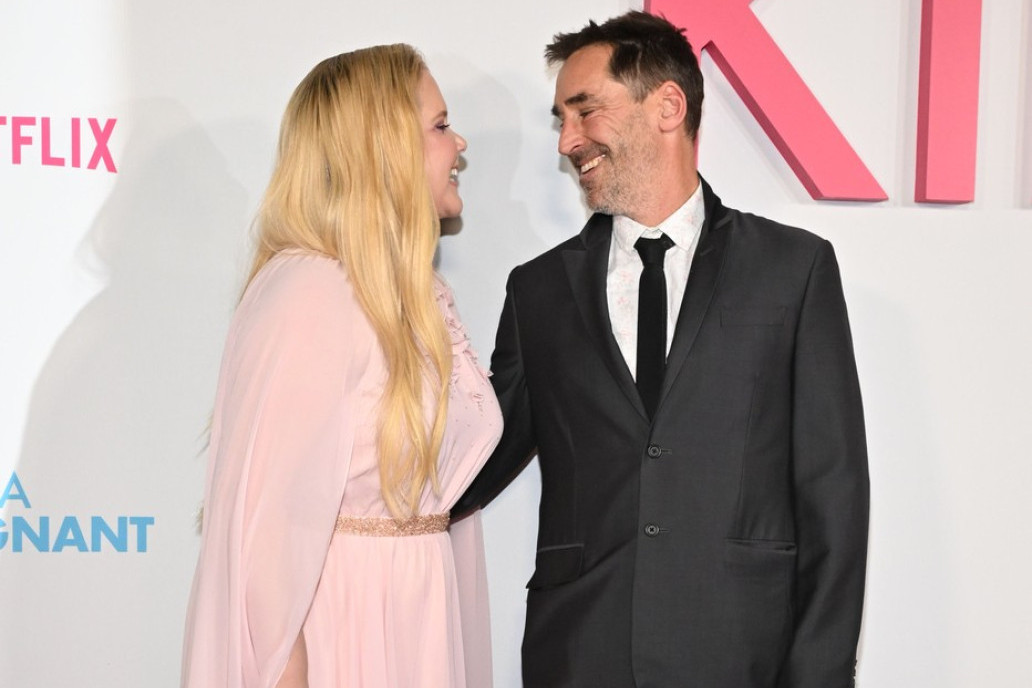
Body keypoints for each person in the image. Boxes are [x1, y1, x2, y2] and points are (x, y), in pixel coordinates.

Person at [453, 11, 869, 688]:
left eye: (585, 111)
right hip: (579, 656)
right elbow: (471, 463)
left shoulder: (792, 269)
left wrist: (819, 674)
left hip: (743, 657)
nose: (567, 140)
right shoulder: (538, 290)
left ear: (668, 107)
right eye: (561, 119)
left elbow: (834, 491)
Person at [181, 44, 501, 688]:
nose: (459, 143)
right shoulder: (312, 290)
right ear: (382, 147)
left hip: (417, 625)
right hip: (344, 629)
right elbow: (266, 541)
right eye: (439, 125)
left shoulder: (420, 296)